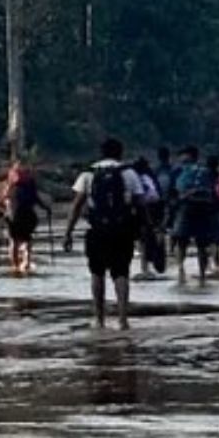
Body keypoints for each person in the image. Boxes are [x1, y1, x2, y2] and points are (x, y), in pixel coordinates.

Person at [63, 138, 147, 329]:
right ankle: (123, 319)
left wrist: (68, 232)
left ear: (101, 153)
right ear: (120, 153)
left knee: (97, 273)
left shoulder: (88, 173)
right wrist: (146, 228)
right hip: (122, 230)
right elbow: (141, 204)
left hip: (97, 230)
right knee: (121, 273)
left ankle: (99, 319)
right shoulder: (129, 173)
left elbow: (76, 205)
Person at [167, 145, 213, 283]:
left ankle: (181, 270)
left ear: (190, 156)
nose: (181, 158)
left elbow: (172, 190)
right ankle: (202, 275)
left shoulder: (178, 170)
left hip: (186, 207)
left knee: (182, 241)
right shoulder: (206, 171)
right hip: (203, 208)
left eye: (183, 155)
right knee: (201, 244)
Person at [1, 158, 49, 277]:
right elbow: (36, 198)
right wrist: (46, 208)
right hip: (28, 213)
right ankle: (26, 263)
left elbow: (6, 197)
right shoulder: (30, 180)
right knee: (27, 240)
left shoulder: (11, 180)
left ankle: (15, 266)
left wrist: (4, 212)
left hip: (14, 214)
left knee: (14, 241)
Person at [130, 156, 166, 279]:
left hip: (144, 210)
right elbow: (158, 195)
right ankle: (152, 263)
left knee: (143, 239)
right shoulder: (152, 177)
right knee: (152, 236)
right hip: (156, 209)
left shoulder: (137, 179)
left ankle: (145, 268)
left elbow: (138, 197)